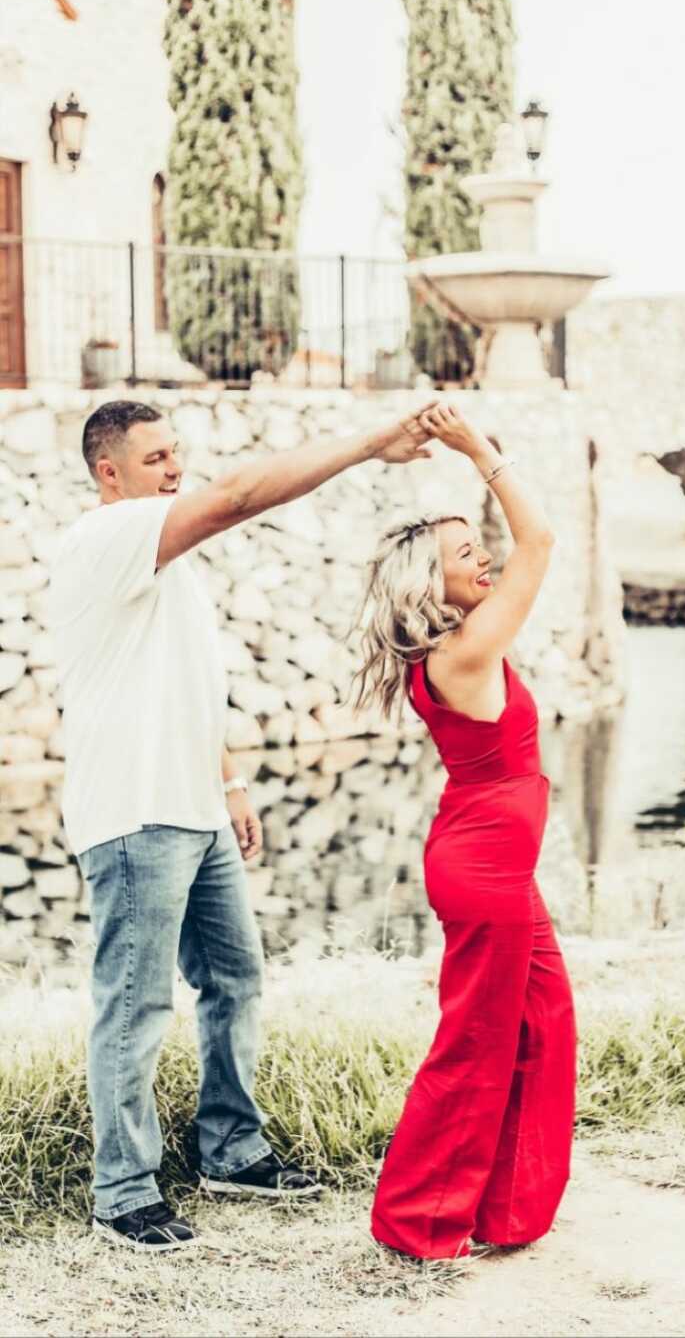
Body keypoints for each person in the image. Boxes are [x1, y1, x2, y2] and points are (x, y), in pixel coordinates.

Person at [48, 398, 432, 1252]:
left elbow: (184, 683)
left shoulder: (167, 562)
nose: (175, 467)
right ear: (109, 472)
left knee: (235, 979)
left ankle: (230, 1148)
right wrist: (373, 443)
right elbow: (236, 497)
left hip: (194, 806)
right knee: (136, 1003)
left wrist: (230, 781)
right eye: (155, 457)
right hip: (135, 813)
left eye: (177, 451)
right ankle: (123, 1192)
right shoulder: (107, 539)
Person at [350, 402, 577, 1260]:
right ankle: (417, 1224)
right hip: (483, 869)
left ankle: (506, 1209)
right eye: (462, 554)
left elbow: (516, 548)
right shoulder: (465, 652)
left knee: (543, 1021)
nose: (481, 556)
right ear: (430, 584)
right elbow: (542, 541)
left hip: (494, 864)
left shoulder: (450, 644)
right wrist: (480, 449)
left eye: (477, 546)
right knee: (476, 1043)